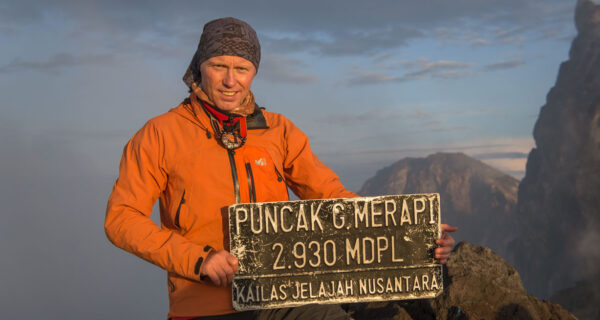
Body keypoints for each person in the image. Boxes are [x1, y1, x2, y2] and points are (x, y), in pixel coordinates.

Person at [105, 17, 457, 320]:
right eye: (218, 66)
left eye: (242, 69)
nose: (231, 80)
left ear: (254, 73)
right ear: (199, 67)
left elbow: (330, 196)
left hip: (281, 297)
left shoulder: (278, 130)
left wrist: (412, 235)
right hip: (201, 305)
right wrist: (198, 260)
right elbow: (122, 218)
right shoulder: (160, 134)